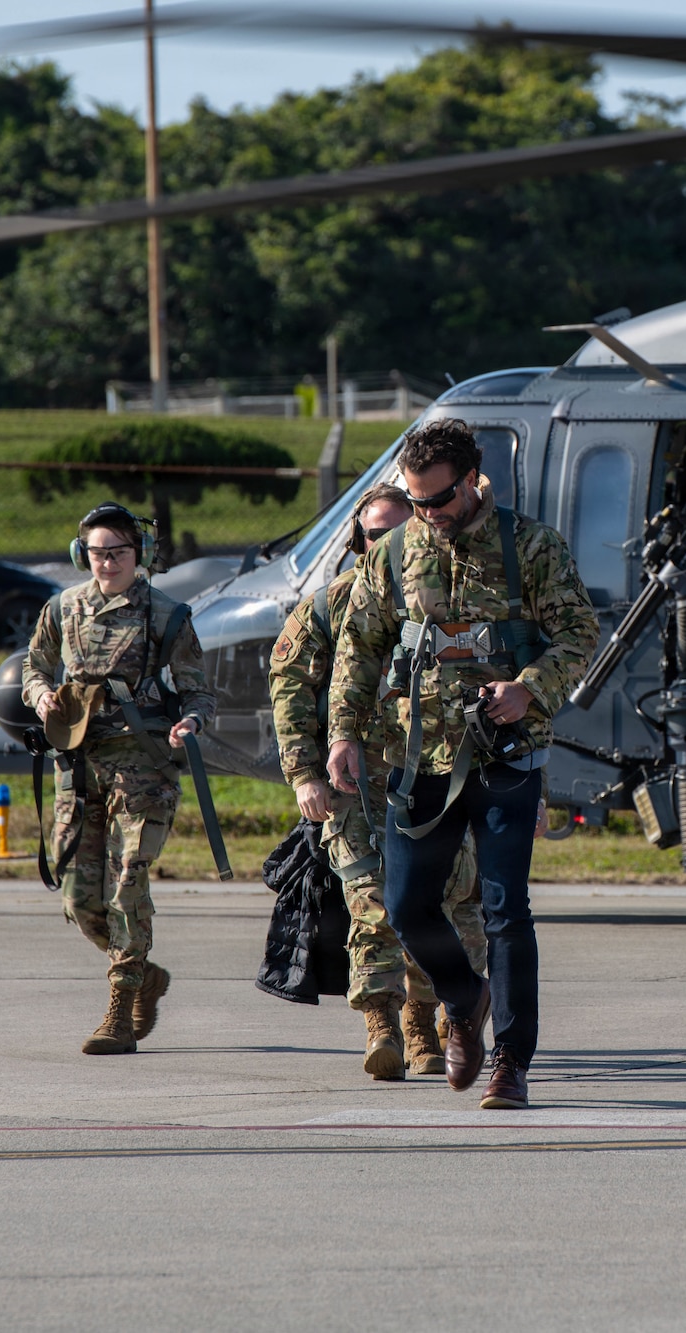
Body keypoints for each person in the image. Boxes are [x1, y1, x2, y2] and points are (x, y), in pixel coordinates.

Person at [327, 418, 598, 1110]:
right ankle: (464, 996)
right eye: (416, 502)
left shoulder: (531, 546)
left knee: (505, 909)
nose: (428, 514)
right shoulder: (390, 554)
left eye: (439, 500)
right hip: (420, 755)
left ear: (475, 478)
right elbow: (358, 647)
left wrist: (529, 688)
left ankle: (510, 1058)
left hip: (505, 754)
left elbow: (579, 633)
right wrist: (343, 734)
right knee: (405, 904)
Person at [268, 482, 487, 1081]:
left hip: (439, 774)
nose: (383, 543)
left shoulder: (447, 596)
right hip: (354, 778)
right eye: (372, 533)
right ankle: (382, 1024)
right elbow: (287, 681)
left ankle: (430, 1016)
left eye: (397, 531)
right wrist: (305, 774)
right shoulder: (330, 605)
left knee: (445, 897)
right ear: (356, 540)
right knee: (369, 900)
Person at [20, 502, 215, 1055]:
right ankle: (144, 974)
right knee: (80, 899)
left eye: (119, 553)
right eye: (98, 553)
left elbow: (199, 688)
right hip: (80, 766)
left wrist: (191, 720)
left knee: (128, 881)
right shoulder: (62, 608)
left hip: (144, 765)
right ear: (82, 555)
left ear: (140, 556)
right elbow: (34, 666)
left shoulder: (167, 615)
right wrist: (42, 699)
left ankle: (121, 1008)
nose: (107, 564)